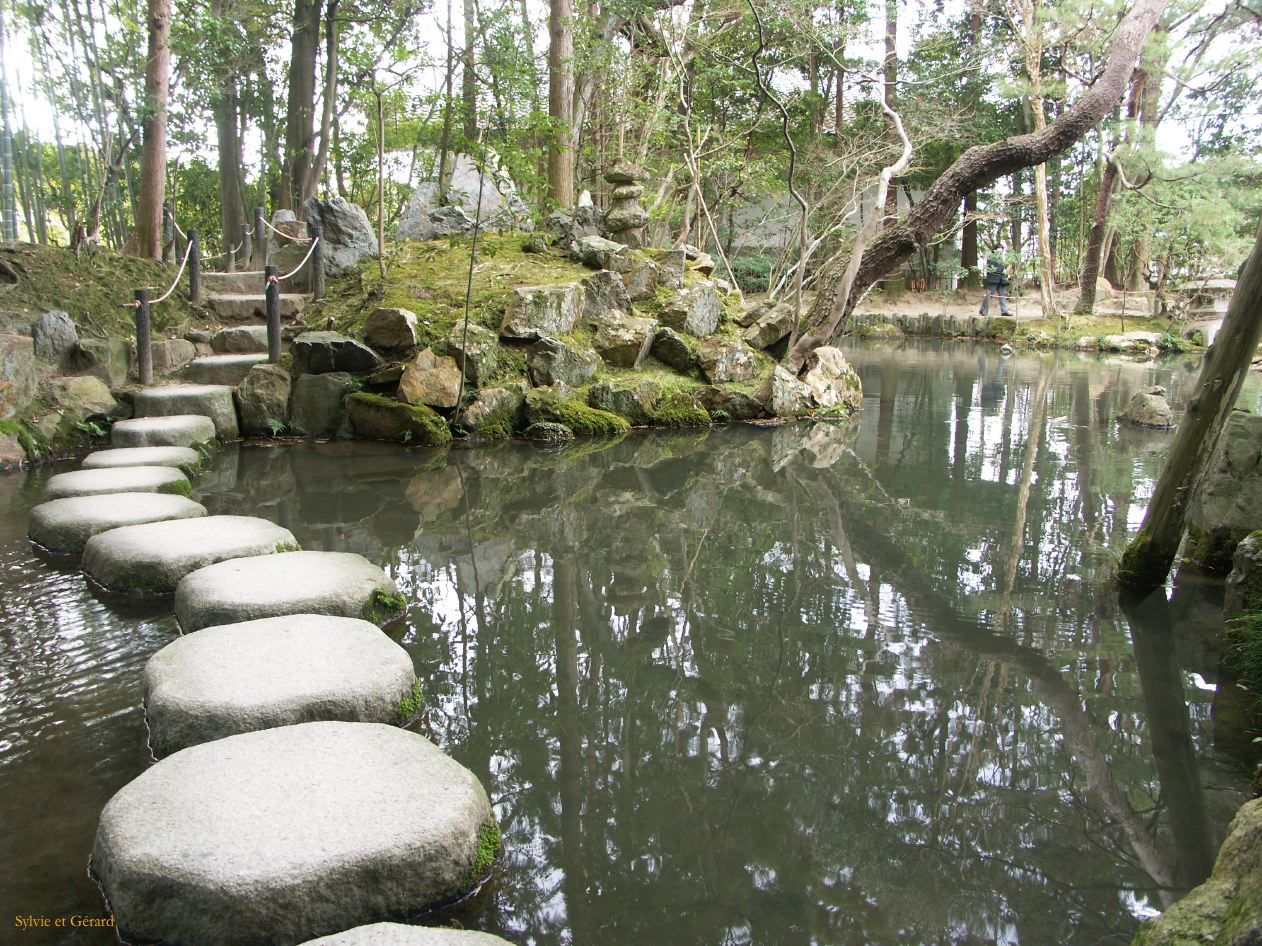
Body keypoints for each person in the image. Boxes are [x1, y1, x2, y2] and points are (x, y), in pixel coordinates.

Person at [979, 245, 1012, 317]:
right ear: (995, 249)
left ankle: (1004, 311)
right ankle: (983, 309)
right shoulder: (991, 257)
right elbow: (990, 268)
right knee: (990, 294)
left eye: (1001, 248)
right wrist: (1002, 270)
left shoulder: (1002, 258)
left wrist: (1008, 267)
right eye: (999, 248)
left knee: (1002, 294)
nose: (1000, 250)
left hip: (1001, 279)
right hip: (993, 279)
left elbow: (1005, 267)